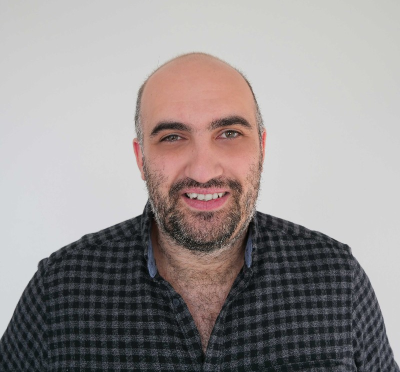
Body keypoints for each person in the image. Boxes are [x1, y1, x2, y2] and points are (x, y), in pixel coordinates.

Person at [0, 53, 398, 371]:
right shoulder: (60, 290)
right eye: (173, 137)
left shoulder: (337, 280)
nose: (203, 171)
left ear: (261, 148)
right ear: (141, 158)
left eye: (229, 133)